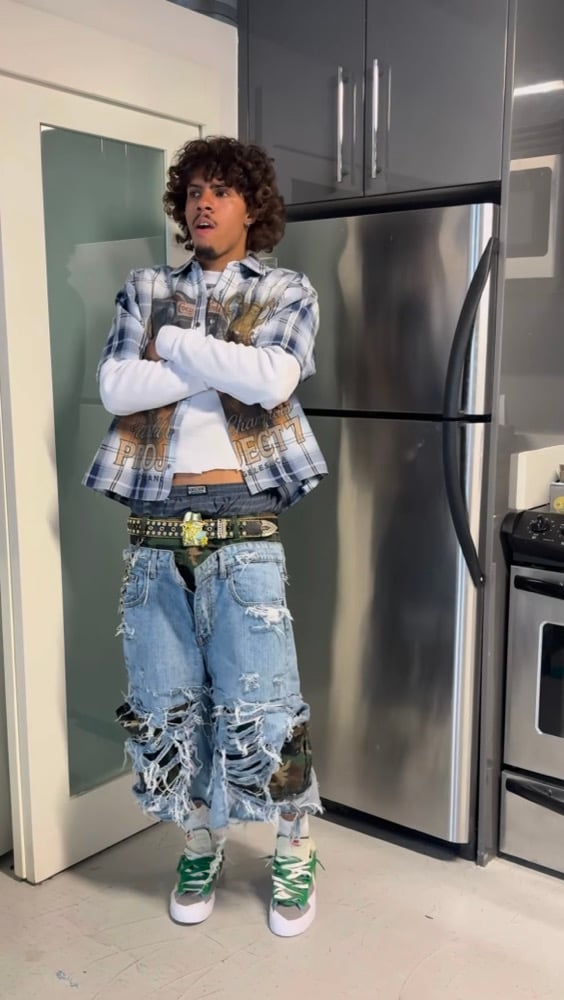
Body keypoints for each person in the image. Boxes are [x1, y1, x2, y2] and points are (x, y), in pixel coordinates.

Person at [83, 136, 328, 937]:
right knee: (167, 707)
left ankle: (294, 848)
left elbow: (274, 378)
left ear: (251, 206)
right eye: (193, 190)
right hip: (155, 523)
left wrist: (177, 346)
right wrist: (223, 361)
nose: (204, 202)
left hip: (243, 519)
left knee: (267, 707)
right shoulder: (145, 287)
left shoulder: (284, 289)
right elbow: (116, 387)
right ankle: (201, 841)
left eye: (221, 190)